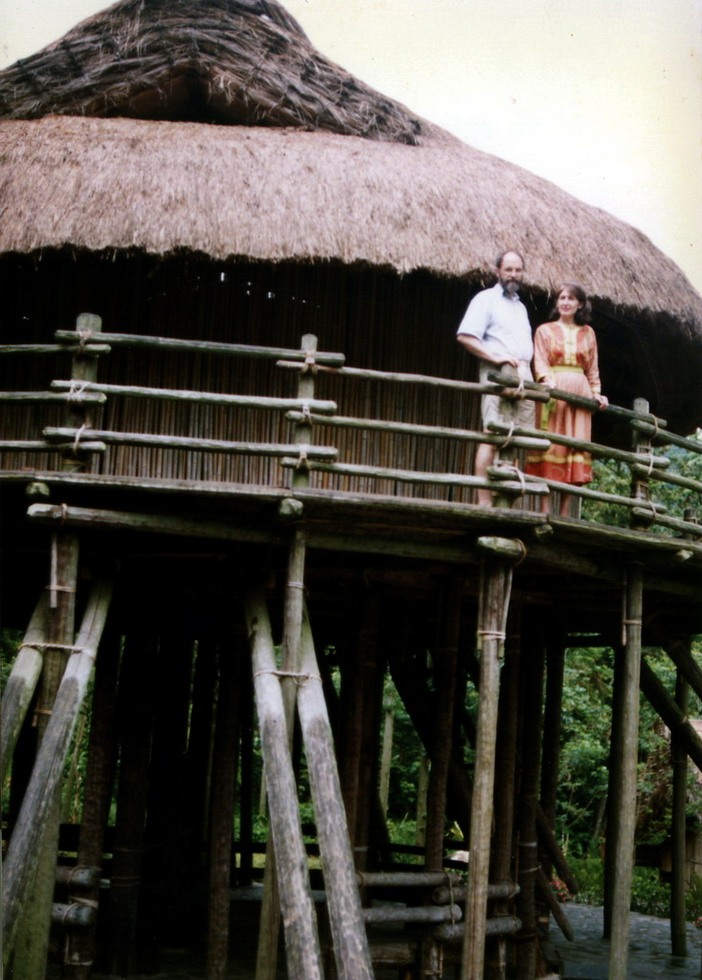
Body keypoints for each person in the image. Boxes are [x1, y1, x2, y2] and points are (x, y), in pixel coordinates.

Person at [456, 250, 535, 506]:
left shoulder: (520, 306)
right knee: (491, 432)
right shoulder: (486, 299)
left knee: (515, 434)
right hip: (499, 372)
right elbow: (466, 336)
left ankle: (504, 494)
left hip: (523, 373)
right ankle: (485, 500)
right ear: (498, 271)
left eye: (518, 270)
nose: (513, 274)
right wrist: (497, 358)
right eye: (508, 269)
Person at [525, 282, 608, 515]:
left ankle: (563, 512)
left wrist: (596, 393)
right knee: (552, 445)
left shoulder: (588, 333)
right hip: (554, 392)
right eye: (562, 298)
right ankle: (544, 509)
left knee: (575, 447)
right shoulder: (544, 330)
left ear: (580, 304)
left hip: (579, 394)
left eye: (571, 298)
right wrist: (546, 380)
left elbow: (593, 369)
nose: (565, 302)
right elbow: (540, 361)